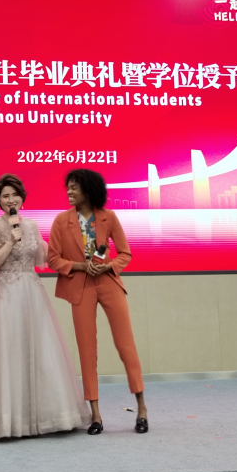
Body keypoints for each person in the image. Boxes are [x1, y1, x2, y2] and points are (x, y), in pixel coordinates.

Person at [0, 174, 90, 439]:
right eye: (5, 196)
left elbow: (44, 257)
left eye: (14, 195)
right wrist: (10, 241)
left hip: (32, 292)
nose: (10, 200)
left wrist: (76, 254)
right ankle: (9, 421)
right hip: (5, 294)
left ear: (22, 198)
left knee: (40, 349)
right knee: (8, 351)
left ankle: (48, 416)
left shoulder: (32, 225)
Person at [47, 169, 148, 435]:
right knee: (87, 350)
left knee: (126, 345)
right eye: (68, 187)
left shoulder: (108, 217)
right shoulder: (61, 220)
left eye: (74, 187)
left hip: (108, 282)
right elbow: (53, 260)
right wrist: (81, 266)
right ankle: (96, 415)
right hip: (80, 288)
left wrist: (108, 266)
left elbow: (125, 253)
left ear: (89, 190)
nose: (69, 192)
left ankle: (142, 409)